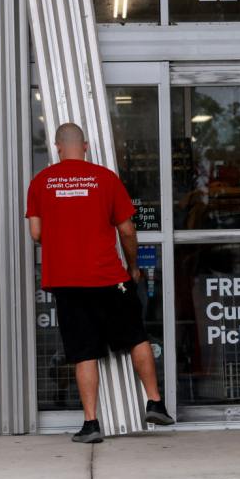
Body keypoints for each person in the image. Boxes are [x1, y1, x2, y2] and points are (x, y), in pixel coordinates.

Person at [26, 122, 175, 443]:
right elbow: (127, 231)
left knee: (84, 353)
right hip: (109, 277)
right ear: (86, 146)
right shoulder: (106, 179)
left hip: (66, 281)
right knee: (136, 337)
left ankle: (91, 424)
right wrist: (133, 266)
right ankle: (155, 403)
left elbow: (36, 234)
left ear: (57, 147)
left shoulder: (40, 182)